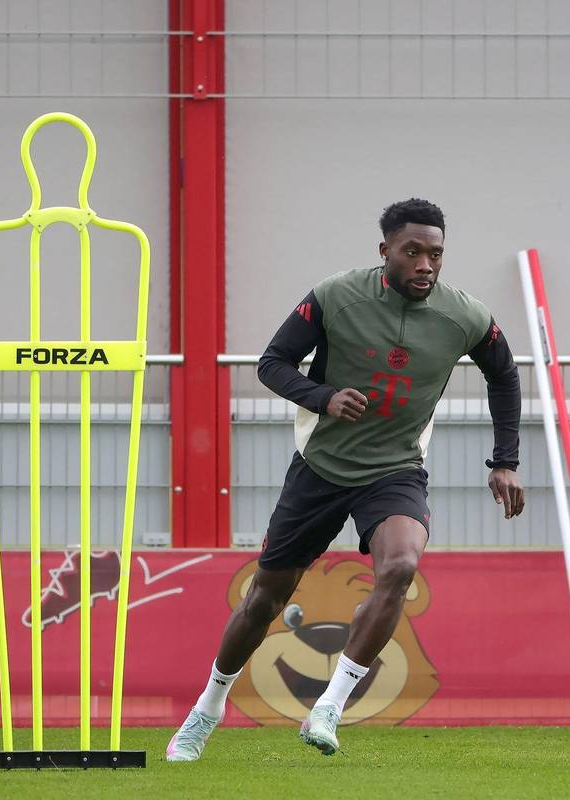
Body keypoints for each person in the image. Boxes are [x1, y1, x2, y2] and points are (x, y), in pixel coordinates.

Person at [167, 198, 525, 759]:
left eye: (435, 254)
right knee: (265, 597)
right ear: (385, 251)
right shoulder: (336, 296)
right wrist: (324, 397)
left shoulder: (466, 316)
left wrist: (504, 459)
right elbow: (273, 362)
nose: (425, 264)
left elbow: (504, 375)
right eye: (412, 252)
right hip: (320, 467)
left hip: (395, 469)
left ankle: (329, 707)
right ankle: (206, 709)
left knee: (401, 566)